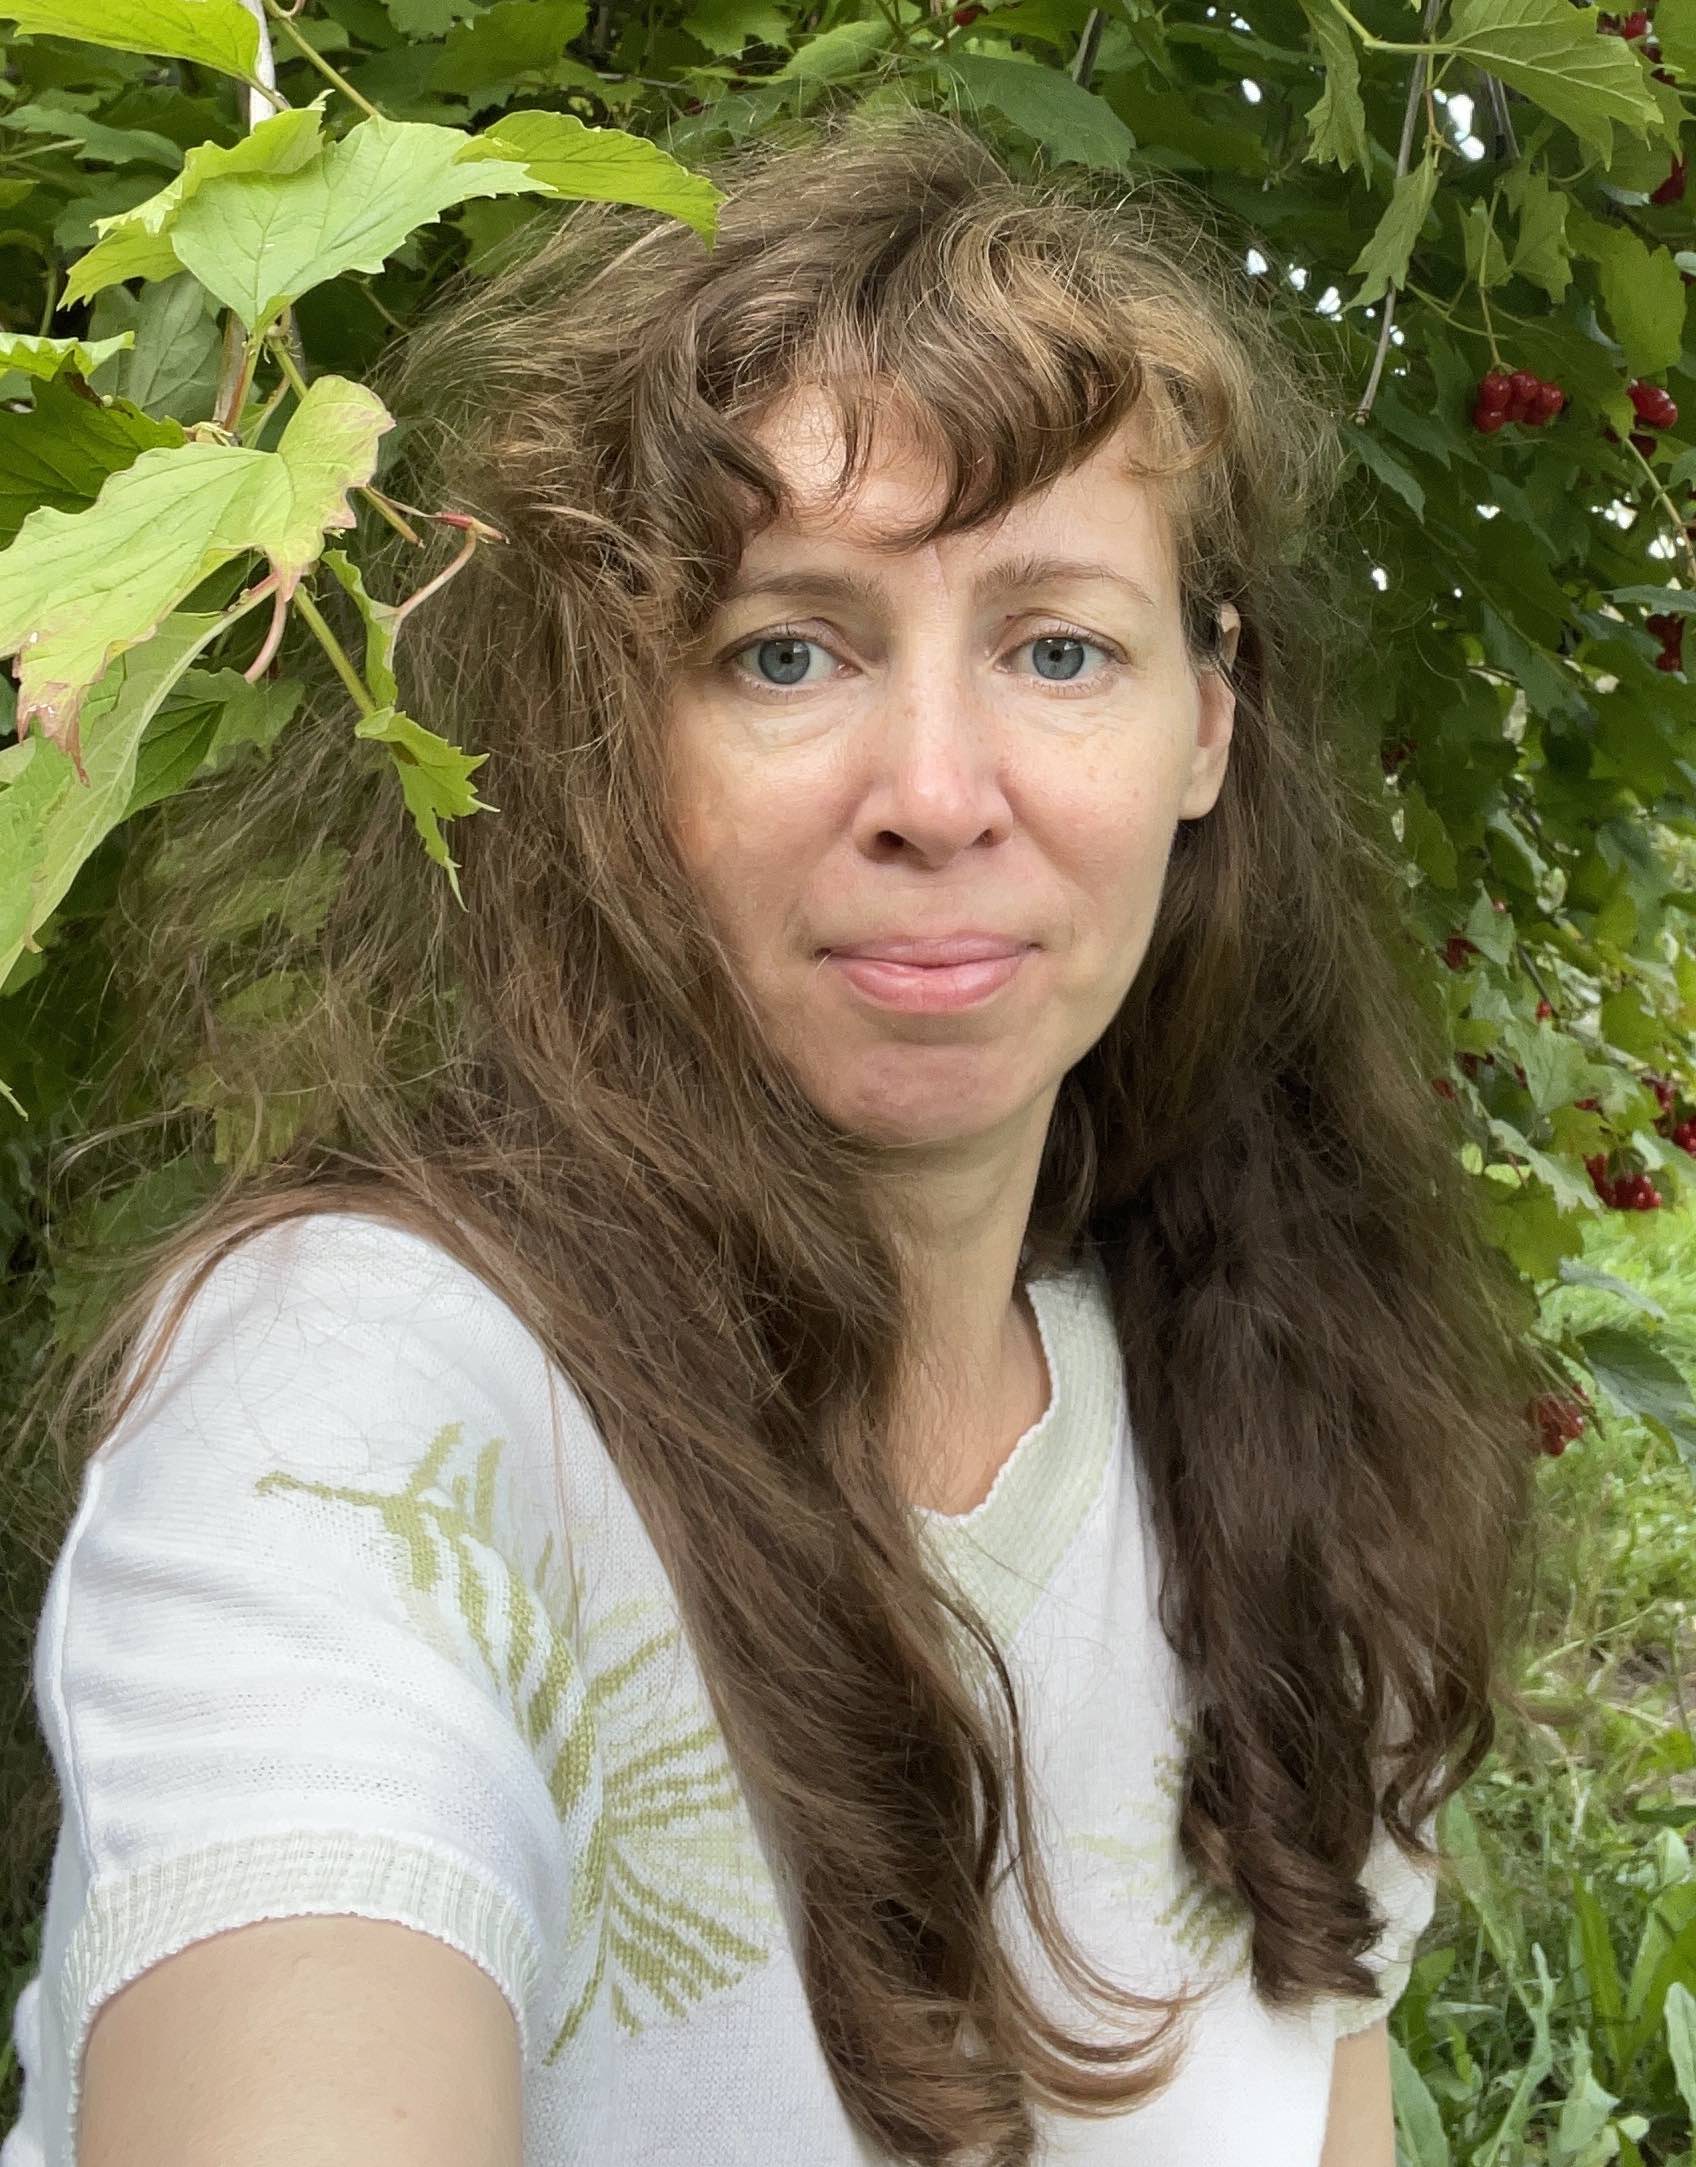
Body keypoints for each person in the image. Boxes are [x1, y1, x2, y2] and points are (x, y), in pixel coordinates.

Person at [2, 98, 1549, 2167]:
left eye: (1059, 647)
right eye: (785, 651)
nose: (936, 791)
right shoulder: (362, 1409)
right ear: (605, 738)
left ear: (1207, 718)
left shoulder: (1281, 1440)